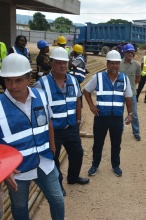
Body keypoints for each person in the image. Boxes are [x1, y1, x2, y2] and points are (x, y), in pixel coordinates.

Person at [0, 53, 64, 219]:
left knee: (57, 201)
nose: (12, 86)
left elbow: (48, 121)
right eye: (8, 80)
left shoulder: (41, 96)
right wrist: (4, 169)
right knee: (20, 207)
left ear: (29, 78)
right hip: (17, 170)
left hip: (44, 161)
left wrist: (53, 147)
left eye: (18, 80)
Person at [35, 47, 90, 196]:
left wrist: (78, 119)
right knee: (54, 158)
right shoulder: (42, 84)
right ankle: (58, 184)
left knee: (77, 153)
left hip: (71, 126)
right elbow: (38, 109)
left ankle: (73, 177)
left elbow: (78, 100)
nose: (62, 66)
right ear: (51, 63)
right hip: (53, 130)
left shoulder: (72, 80)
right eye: (59, 63)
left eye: (64, 63)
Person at [84, 50, 133, 177]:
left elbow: (128, 98)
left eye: (117, 63)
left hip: (116, 118)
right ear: (107, 64)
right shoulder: (98, 77)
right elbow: (86, 91)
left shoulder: (124, 79)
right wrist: (91, 105)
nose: (115, 66)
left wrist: (130, 113)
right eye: (112, 63)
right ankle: (95, 165)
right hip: (101, 118)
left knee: (116, 143)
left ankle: (116, 165)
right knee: (98, 143)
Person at [119, 43, 142, 141]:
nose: (130, 54)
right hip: (120, 93)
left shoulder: (136, 65)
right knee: (119, 113)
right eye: (128, 52)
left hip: (132, 93)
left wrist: (131, 87)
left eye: (132, 52)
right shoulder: (119, 63)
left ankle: (136, 132)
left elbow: (138, 78)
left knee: (134, 113)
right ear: (124, 52)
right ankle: (119, 131)